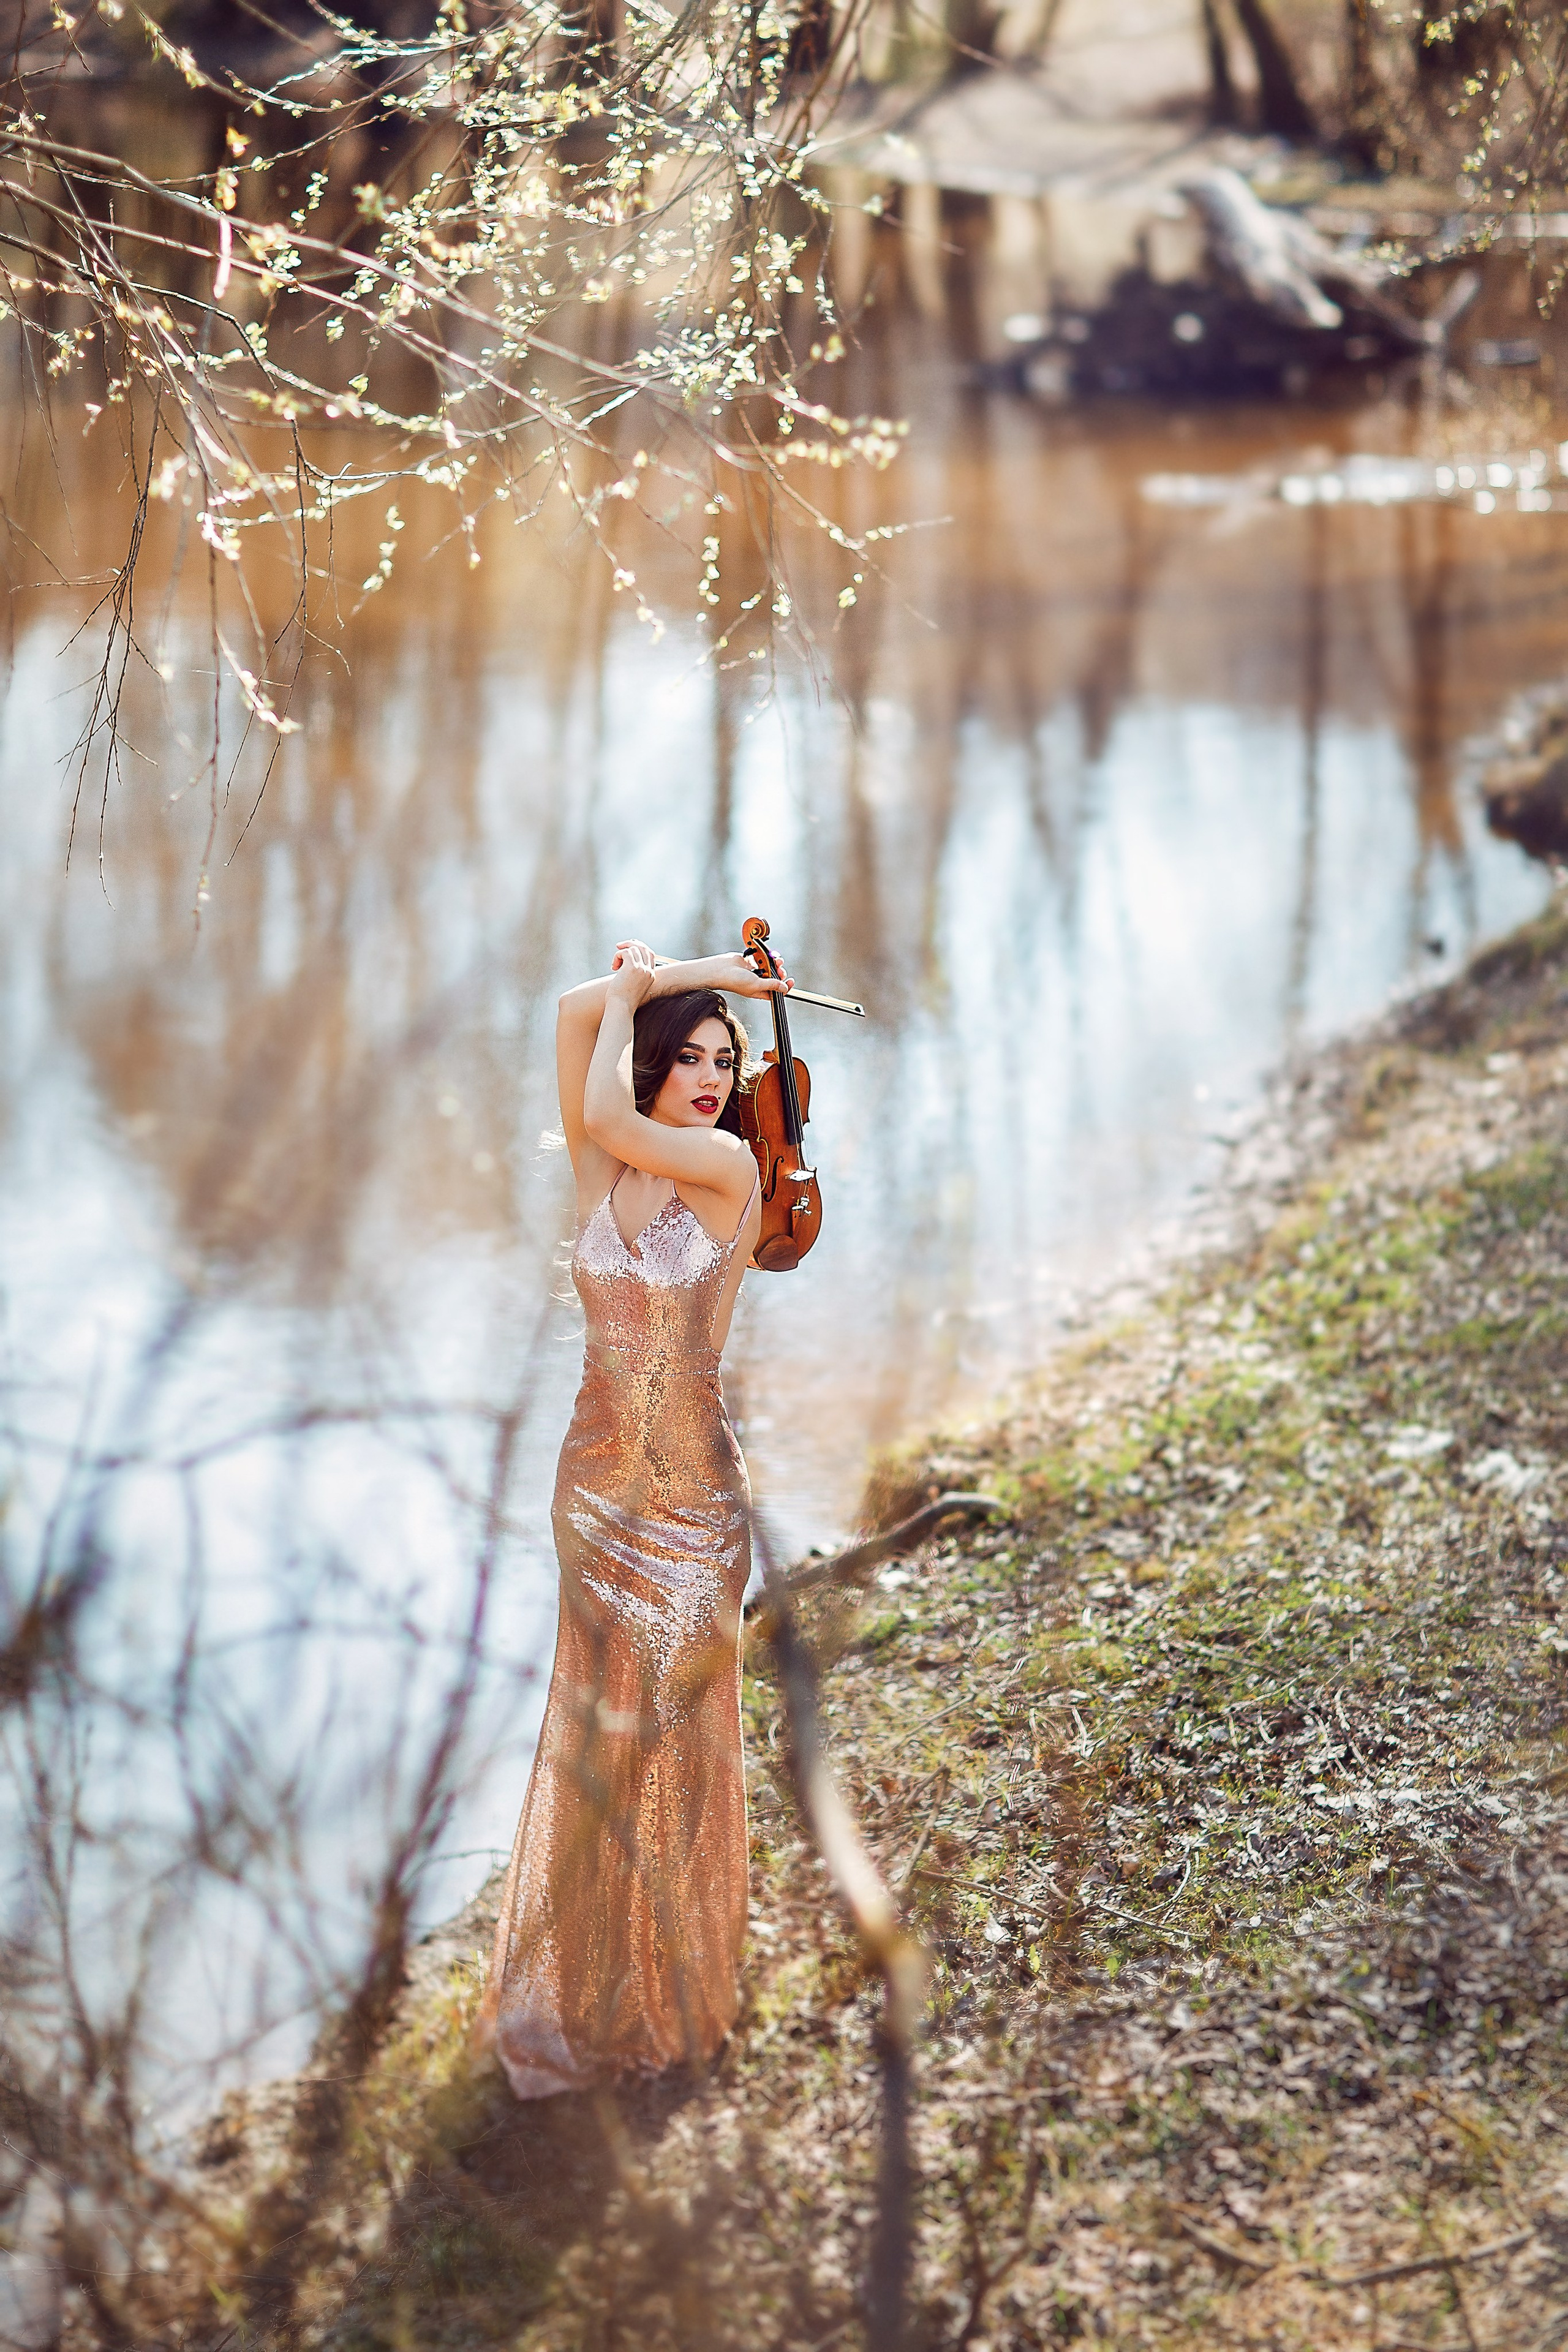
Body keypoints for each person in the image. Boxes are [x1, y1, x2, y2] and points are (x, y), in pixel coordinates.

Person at [475, 937, 790, 2099]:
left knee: (674, 1745)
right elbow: (571, 1012)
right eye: (694, 1057)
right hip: (594, 1492)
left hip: (692, 1506)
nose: (714, 1078)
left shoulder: (722, 1167)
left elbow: (604, 1104)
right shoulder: (603, 1184)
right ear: (654, 1060)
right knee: (600, 1739)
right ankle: (585, 1987)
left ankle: (668, 1997)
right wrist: (694, 970)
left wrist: (635, 993)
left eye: (727, 1059)